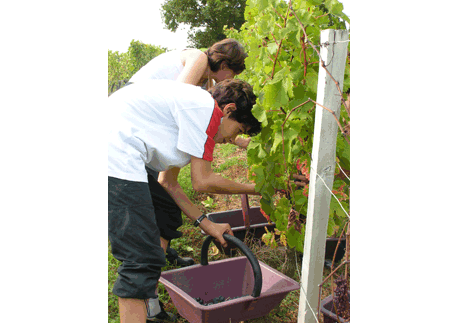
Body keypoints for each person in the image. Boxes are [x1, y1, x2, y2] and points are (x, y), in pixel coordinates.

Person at [108, 78, 262, 323]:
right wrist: (259, 189)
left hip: (122, 150)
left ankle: (145, 306)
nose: (232, 139)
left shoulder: (192, 109)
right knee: (140, 258)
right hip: (117, 155)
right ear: (229, 110)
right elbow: (203, 181)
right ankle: (141, 307)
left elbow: (167, 182)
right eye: (239, 131)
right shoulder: (206, 110)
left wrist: (207, 224)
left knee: (158, 224)